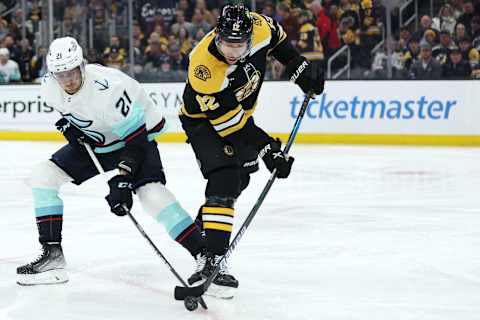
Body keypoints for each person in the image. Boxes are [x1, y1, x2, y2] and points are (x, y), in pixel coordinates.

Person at [16, 37, 205, 286]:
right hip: (100, 143)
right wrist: (69, 126)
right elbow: (72, 112)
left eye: (72, 72)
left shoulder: (109, 89)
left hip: (137, 139)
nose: (68, 80)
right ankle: (52, 255)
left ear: (83, 65)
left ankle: (204, 253)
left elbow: (136, 141)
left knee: (152, 196)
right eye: (61, 75)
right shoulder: (49, 87)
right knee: (43, 175)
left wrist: (123, 178)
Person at [179, 4, 324, 298]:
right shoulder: (203, 66)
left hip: (242, 116)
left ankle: (203, 227)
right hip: (203, 122)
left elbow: (280, 43)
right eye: (226, 43)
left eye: (239, 44)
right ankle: (213, 258)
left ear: (249, 36)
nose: (232, 51)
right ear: (217, 37)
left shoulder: (260, 26)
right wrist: (267, 147)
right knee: (225, 178)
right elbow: (229, 124)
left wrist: (299, 68)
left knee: (241, 180)